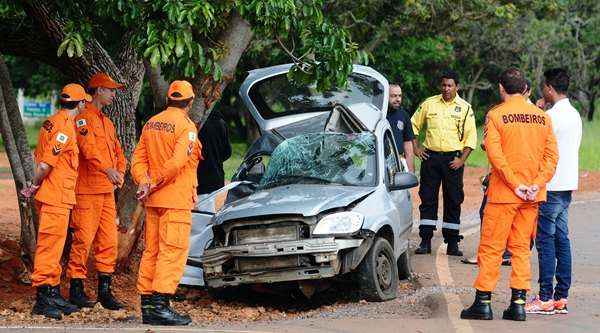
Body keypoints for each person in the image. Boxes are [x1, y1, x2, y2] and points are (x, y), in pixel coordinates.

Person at [461, 68, 558, 321]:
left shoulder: (495, 115)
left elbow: (495, 156)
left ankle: (483, 303)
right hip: (531, 197)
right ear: (525, 88)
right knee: (521, 250)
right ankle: (518, 304)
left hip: (504, 194)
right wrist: (535, 184)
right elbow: (551, 158)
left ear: (501, 88)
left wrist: (515, 184)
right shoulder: (542, 118)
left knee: (492, 248)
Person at [131, 80, 202, 326]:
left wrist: (144, 182)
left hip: (154, 202)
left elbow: (137, 159)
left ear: (168, 100)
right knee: (171, 252)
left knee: (152, 251)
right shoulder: (186, 127)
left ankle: (148, 307)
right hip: (175, 200)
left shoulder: (152, 123)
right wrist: (153, 182)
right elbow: (176, 163)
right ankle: (161, 306)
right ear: (189, 102)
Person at [20, 84, 91, 319]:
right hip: (55, 196)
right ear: (80, 104)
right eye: (84, 103)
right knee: (49, 248)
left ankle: (52, 292)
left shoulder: (54, 121)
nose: (85, 106)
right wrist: (33, 184)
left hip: (58, 196)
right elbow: (45, 164)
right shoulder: (64, 128)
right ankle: (43, 298)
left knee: (55, 247)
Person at [65, 73, 126, 310]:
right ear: (98, 90)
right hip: (87, 191)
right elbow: (88, 149)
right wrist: (107, 169)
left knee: (108, 241)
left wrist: (120, 170)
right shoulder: (83, 118)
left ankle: (105, 291)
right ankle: (76, 289)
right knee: (83, 240)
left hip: (106, 191)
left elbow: (119, 150)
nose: (113, 94)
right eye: (110, 90)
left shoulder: (107, 122)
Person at [525, 68, 582, 315]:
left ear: (549, 88)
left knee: (545, 242)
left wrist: (538, 112)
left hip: (550, 186)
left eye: (543, 88)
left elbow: (536, 145)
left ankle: (545, 297)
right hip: (567, 185)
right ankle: (561, 297)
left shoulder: (550, 117)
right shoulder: (575, 114)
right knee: (562, 240)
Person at [411, 70, 477, 256]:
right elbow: (413, 125)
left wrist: (461, 160)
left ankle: (452, 243)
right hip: (430, 158)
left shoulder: (465, 108)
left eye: (450, 85)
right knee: (428, 198)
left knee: (453, 199)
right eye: (444, 85)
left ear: (457, 86)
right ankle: (425, 241)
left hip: (452, 161)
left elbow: (471, 137)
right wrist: (416, 148)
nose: (446, 89)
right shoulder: (429, 103)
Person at [197, 110, 232, 194]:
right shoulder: (220, 122)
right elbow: (227, 152)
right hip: (215, 174)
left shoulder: (191, 122)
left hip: (193, 177)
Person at [386, 83, 415, 172]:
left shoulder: (404, 115)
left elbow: (408, 145)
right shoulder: (378, 114)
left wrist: (410, 171)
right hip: (379, 161)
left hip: (398, 162)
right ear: (386, 96)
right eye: (394, 96)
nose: (398, 99)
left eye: (399, 96)